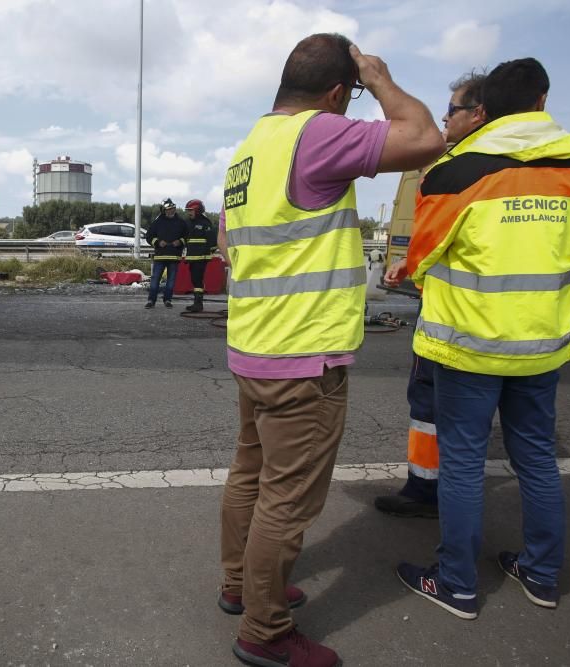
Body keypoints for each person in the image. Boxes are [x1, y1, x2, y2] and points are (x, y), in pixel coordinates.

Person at [217, 33, 444, 667]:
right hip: (304, 356)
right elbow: (427, 137)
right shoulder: (317, 133)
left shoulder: (249, 149)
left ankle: (240, 585)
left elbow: (228, 243)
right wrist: (381, 77)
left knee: (250, 478)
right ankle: (265, 631)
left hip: (254, 346)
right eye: (353, 92)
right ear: (339, 91)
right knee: (286, 503)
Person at [395, 58, 570, 619]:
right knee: (535, 457)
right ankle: (541, 573)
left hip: (469, 340)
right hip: (542, 342)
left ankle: (457, 584)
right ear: (542, 101)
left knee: (461, 463)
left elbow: (421, 258)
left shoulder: (459, 171)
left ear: (485, 109)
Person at [375, 72, 487, 519]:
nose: (445, 118)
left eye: (453, 109)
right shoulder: (535, 167)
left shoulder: (458, 169)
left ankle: (428, 491)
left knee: (432, 403)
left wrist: (415, 261)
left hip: (448, 313)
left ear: (478, 113)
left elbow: (442, 235)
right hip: (505, 321)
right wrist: (414, 262)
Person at [144, 198, 186, 308]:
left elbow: (187, 236)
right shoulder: (157, 222)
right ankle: (151, 301)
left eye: (173, 208)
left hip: (174, 256)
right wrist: (157, 242)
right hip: (160, 256)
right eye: (168, 209)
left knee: (171, 281)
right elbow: (148, 236)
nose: (171, 211)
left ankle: (167, 300)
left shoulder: (181, 223)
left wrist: (180, 241)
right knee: (155, 279)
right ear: (164, 210)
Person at [182, 199, 217, 312]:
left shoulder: (205, 223)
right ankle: (197, 303)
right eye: (188, 210)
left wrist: (208, 253)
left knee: (197, 280)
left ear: (197, 210)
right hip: (192, 257)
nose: (189, 212)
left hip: (201, 257)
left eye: (190, 210)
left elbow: (212, 241)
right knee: (195, 279)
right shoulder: (188, 222)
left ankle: (198, 304)